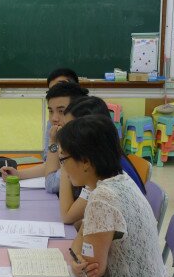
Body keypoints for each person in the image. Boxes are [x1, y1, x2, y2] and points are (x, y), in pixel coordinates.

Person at [56, 115, 169, 277]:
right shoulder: (120, 178)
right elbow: (84, 233)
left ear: (85, 161)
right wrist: (77, 253)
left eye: (63, 159)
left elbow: (90, 269)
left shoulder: (103, 198)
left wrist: (76, 257)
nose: (62, 167)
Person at [59, 96, 146, 227]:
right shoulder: (106, 159)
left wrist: (65, 160)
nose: (64, 134)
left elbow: (67, 216)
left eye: (70, 128)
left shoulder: (107, 173)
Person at [0, 82, 88, 194]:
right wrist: (19, 175)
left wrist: (53, 142)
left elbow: (51, 184)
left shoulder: (82, 143)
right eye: (51, 111)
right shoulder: (57, 127)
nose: (54, 118)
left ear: (78, 111)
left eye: (61, 111)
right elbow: (51, 164)